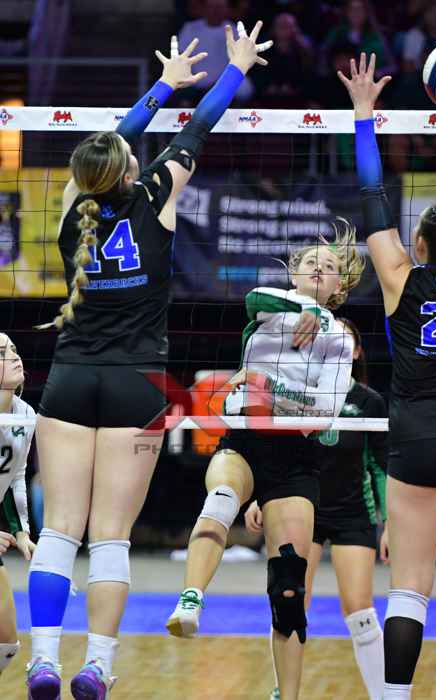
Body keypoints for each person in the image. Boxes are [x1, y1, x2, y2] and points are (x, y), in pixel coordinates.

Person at [26, 24, 272, 700]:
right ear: (131, 169)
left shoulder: (73, 210)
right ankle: (96, 667)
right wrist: (233, 69)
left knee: (59, 531)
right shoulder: (157, 193)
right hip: (138, 385)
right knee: (110, 538)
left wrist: (162, 84)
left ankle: (42, 662)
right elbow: (200, 126)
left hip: (71, 379)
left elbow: (108, 146)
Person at [166, 227, 365, 700]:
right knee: (221, 497)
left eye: (330, 267)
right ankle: (191, 600)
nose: (319, 269)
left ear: (340, 286)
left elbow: (324, 411)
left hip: (296, 457)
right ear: (294, 273)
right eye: (311, 262)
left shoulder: (339, 340)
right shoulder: (267, 312)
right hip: (246, 441)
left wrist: (267, 387)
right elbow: (255, 297)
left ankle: (286, 694)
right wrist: (308, 310)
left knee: (289, 589)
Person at [338, 52, 436, 700]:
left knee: (410, 589)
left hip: (416, 434)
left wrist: (364, 116)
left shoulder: (398, 278)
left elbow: (372, 200)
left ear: (419, 246)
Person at [245, 317, 389, 700]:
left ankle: (386, 696)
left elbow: (380, 468)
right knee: (289, 599)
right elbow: (276, 454)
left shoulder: (369, 401)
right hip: (303, 507)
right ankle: (284, 690)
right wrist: (262, 498)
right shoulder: (297, 393)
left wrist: (390, 523)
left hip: (353, 514)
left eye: (344, 341)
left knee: (360, 611)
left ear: (356, 352)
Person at [0, 333, 36, 677]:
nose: (13, 357)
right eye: (1, 353)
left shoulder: (25, 414)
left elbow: (15, 476)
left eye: (13, 350)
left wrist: (21, 531)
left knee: (5, 644)